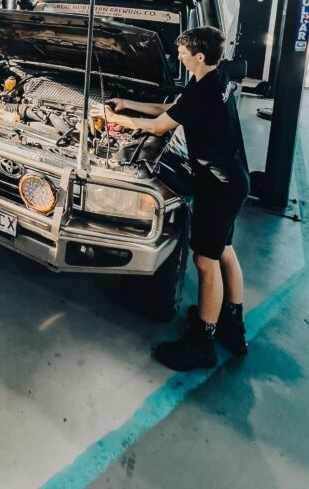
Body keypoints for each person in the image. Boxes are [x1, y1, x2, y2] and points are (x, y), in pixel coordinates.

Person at [104, 26, 249, 371]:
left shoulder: (204, 92)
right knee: (225, 250)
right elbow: (169, 108)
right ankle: (232, 323)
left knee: (205, 260)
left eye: (183, 52)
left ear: (199, 56)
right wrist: (128, 104)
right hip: (233, 181)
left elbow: (158, 127)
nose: (179, 56)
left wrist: (114, 119)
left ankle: (203, 341)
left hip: (218, 185)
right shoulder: (214, 80)